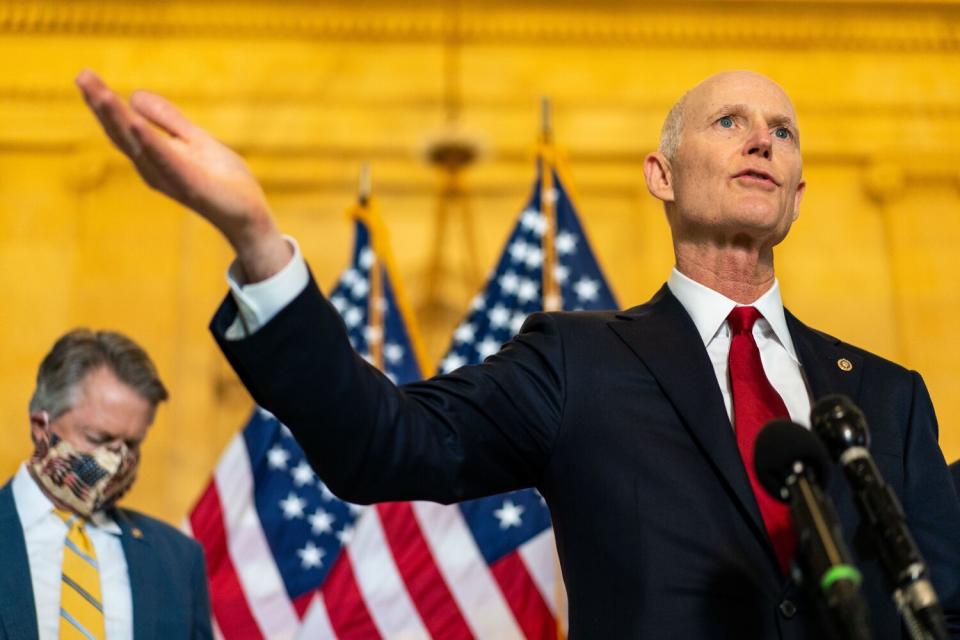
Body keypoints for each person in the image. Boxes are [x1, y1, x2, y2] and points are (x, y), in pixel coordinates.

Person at [75, 69, 960, 638]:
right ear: (661, 174)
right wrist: (257, 238)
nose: (763, 138)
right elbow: (383, 441)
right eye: (730, 121)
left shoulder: (887, 397)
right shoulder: (582, 362)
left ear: (799, 193)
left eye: (783, 130)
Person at [0, 329, 212, 639]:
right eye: (99, 439)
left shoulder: (178, 561)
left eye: (132, 444)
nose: (118, 461)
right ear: (41, 427)